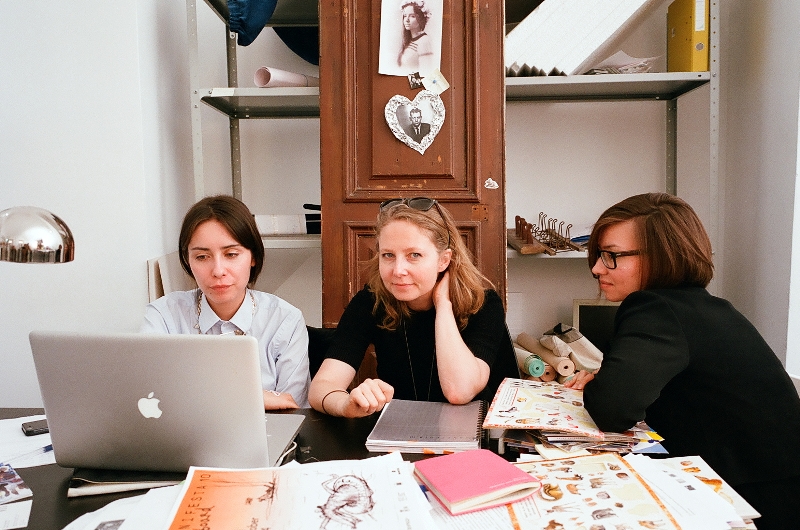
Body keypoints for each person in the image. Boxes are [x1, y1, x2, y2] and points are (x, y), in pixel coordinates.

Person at [566, 192, 800, 529]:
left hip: (759, 500)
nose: (596, 268)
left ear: (661, 256)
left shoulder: (653, 308)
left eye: (611, 256)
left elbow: (611, 410)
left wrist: (602, 385)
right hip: (771, 483)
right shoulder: (703, 307)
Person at [309, 197, 518, 418]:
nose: (398, 270)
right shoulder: (371, 302)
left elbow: (459, 392)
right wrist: (346, 404)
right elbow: (321, 387)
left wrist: (444, 306)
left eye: (414, 255)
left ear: (443, 260)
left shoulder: (483, 304)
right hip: (399, 436)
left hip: (471, 440)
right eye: (388, 255)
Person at [141, 195, 310, 410]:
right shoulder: (164, 315)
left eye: (231, 254)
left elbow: (290, 407)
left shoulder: (284, 320)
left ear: (253, 257)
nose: (218, 271)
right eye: (202, 257)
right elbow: (149, 394)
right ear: (188, 260)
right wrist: (255, 397)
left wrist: (190, 394)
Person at [397, 1, 434, 74]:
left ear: (420, 18)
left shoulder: (424, 41)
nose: (407, 20)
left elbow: (426, 73)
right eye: (405, 16)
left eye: (412, 16)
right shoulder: (410, 41)